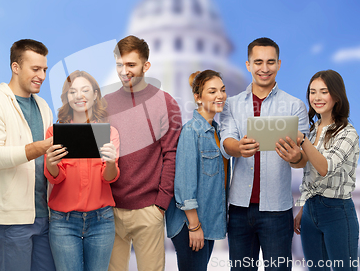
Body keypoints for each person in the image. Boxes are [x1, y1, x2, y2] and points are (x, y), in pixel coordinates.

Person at [219, 37, 309, 270]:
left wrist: (295, 157)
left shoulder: (295, 106)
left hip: (278, 211)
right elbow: (226, 141)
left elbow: (303, 159)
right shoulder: (232, 104)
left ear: (279, 64)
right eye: (258, 62)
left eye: (270, 62)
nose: (264, 68)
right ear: (248, 65)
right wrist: (237, 148)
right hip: (239, 208)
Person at [0, 39, 56, 271]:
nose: (41, 75)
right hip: (10, 219)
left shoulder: (43, 106)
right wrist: (37, 148)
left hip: (43, 215)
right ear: (15, 67)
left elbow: (49, 158)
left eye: (44, 70)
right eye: (35, 69)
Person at [105, 35, 182, 271]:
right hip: (110, 210)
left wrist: (160, 204)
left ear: (146, 66)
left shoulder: (165, 102)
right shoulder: (104, 103)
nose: (124, 71)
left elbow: (172, 155)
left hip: (149, 210)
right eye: (120, 65)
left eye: (131, 65)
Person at [275, 70, 359, 271]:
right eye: (312, 92)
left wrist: (302, 140)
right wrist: (304, 208)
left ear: (336, 96)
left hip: (337, 211)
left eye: (324, 91)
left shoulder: (347, 132)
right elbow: (307, 170)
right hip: (310, 212)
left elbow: (325, 168)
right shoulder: (312, 130)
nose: (317, 98)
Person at [44, 70, 120, 271]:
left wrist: (111, 162)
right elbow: (56, 178)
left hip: (101, 221)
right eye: (72, 92)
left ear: (95, 95)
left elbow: (109, 177)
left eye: (85, 90)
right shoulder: (55, 132)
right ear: (67, 98)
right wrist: (51, 163)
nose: (79, 96)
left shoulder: (109, 133)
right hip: (64, 222)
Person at [166, 70, 228, 271]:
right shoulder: (192, 131)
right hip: (190, 224)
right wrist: (194, 226)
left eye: (222, 90)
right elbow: (184, 183)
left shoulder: (217, 132)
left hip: (207, 221)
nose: (220, 96)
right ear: (198, 98)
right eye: (212, 91)